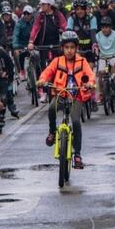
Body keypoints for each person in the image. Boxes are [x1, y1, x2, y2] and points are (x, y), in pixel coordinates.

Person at [38, 30, 96, 170]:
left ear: (76, 48)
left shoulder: (82, 62)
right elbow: (47, 72)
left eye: (72, 48)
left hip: (76, 96)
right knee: (51, 108)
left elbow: (90, 75)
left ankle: (78, 154)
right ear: (62, 48)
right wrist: (42, 80)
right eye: (66, 48)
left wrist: (89, 83)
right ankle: (52, 132)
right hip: (61, 94)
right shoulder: (57, 61)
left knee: (76, 121)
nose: (69, 51)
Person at [28, 0, 67, 65]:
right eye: (41, 4)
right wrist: (31, 42)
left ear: (49, 5)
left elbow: (64, 26)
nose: (41, 6)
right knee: (42, 65)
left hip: (56, 44)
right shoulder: (40, 15)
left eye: (44, 4)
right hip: (43, 44)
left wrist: (68, 40)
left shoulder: (58, 15)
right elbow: (35, 28)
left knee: (59, 64)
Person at [95, 16, 115, 89]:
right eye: (103, 27)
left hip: (113, 56)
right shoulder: (98, 35)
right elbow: (95, 45)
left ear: (111, 27)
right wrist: (95, 52)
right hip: (103, 57)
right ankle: (101, 94)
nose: (105, 29)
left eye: (107, 27)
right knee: (101, 73)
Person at [66, 0, 98, 64]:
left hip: (89, 48)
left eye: (82, 9)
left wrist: (94, 44)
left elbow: (93, 33)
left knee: (89, 69)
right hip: (76, 47)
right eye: (77, 9)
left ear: (86, 9)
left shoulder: (92, 18)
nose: (80, 11)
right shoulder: (71, 19)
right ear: (75, 10)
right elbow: (68, 33)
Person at [12, 5, 35, 74]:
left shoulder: (35, 22)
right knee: (21, 55)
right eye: (24, 14)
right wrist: (16, 47)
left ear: (31, 14)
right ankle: (22, 71)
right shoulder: (19, 23)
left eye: (28, 14)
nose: (26, 15)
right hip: (22, 45)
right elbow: (16, 35)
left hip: (33, 44)